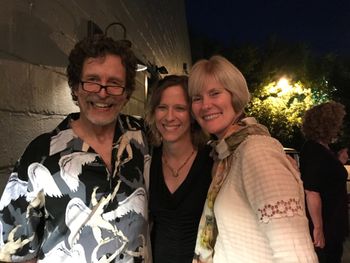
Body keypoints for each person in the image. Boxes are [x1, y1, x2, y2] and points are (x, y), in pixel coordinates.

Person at [0, 35, 151, 262]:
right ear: (75, 86)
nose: (102, 92)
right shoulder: (41, 155)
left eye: (114, 83)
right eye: (92, 80)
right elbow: (13, 253)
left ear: (127, 92)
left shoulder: (141, 138)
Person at [188, 55, 318, 262]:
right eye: (197, 98)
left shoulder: (257, 151)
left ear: (235, 96)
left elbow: (295, 252)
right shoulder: (225, 156)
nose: (205, 105)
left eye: (215, 93)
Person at [145, 75, 213, 263]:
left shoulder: (214, 161)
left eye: (180, 108)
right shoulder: (147, 161)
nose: (169, 117)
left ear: (193, 115)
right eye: (162, 107)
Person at [300, 101, 349, 263]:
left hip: (333, 223)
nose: (340, 127)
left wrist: (338, 161)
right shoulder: (314, 150)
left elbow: (327, 177)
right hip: (326, 225)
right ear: (328, 124)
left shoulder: (322, 149)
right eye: (338, 123)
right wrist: (318, 229)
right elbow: (311, 191)